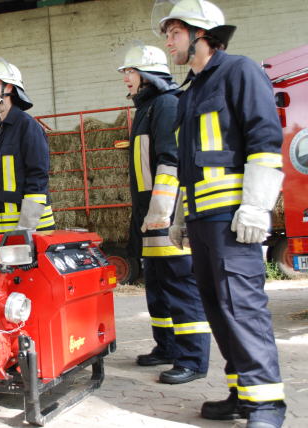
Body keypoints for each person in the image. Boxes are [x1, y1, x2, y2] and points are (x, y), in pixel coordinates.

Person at [153, 1, 286, 426]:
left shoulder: (240, 72)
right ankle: (242, 394)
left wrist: (255, 206)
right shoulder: (191, 92)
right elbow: (191, 164)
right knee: (218, 310)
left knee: (242, 310)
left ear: (200, 34)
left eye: (173, 33)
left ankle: (267, 406)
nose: (168, 42)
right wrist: (178, 217)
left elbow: (265, 140)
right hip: (202, 221)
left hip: (233, 220)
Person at [117, 42, 211, 384]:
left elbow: (171, 161)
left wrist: (160, 212)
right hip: (149, 216)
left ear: (148, 75)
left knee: (181, 286)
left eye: (130, 71)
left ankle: (193, 359)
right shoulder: (146, 109)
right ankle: (167, 348)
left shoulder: (167, 105)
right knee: (156, 285)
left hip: (165, 215)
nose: (126, 78)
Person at [0, 58, 55, 234]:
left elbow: (37, 178)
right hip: (1, 229)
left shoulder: (28, 127)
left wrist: (26, 227)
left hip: (32, 230)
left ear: (9, 87)